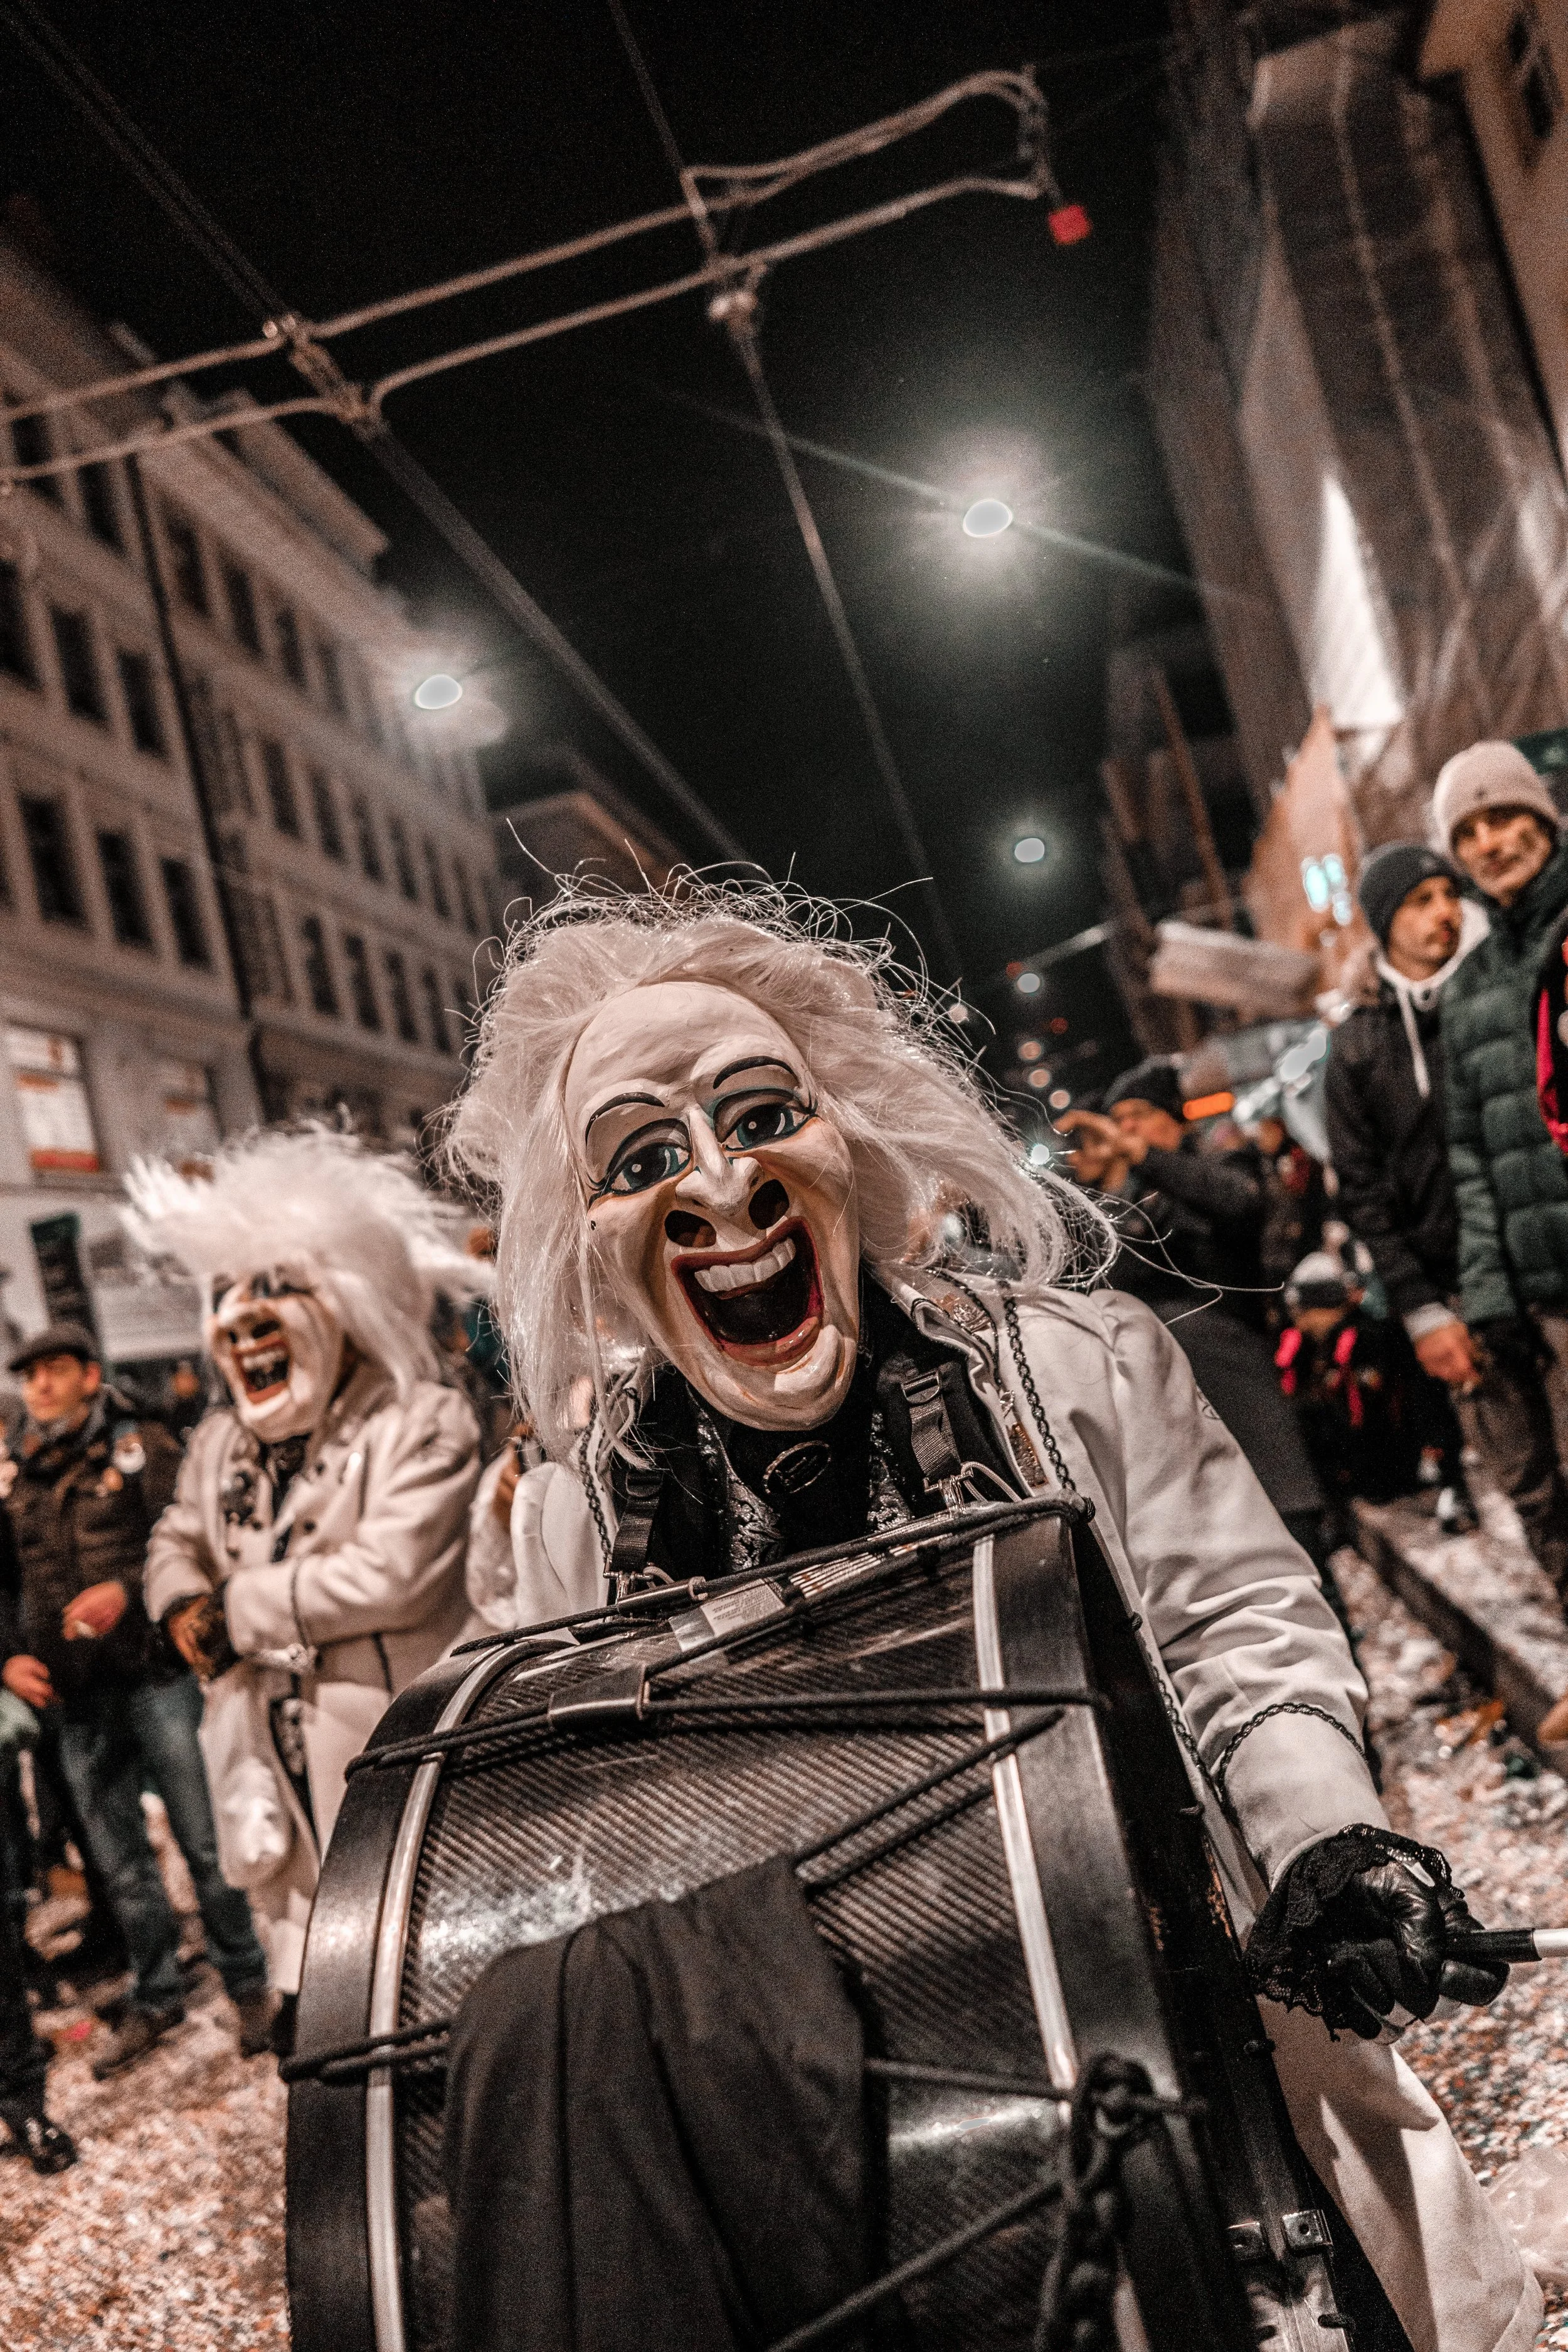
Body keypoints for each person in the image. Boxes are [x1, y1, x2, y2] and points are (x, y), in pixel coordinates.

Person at [445, 881, 1537, 2352]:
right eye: (643, 1154)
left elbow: (1240, 1626)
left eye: (763, 1114)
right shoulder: (580, 1516)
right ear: (587, 1236)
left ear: (853, 1139)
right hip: (845, 2164)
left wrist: (1322, 1832)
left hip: (1184, 2073)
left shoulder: (1082, 1366)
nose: (718, 1186)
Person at [134, 1129, 487, 2048]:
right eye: (228, 1308)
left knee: (426, 2008)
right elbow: (174, 1533)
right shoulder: (218, 1442)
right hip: (271, 1781)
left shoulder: (421, 1416)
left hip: (390, 1767)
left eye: (273, 1300)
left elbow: (394, 1574)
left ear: (344, 1304)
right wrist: (178, 1600)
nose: (244, 1328)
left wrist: (235, 1611)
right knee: (320, 2023)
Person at [0, 1324, 271, 2078]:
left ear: (90, 1376)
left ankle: (248, 1981)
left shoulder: (143, 1444)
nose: (40, 1387)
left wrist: (129, 1591)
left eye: (55, 1372)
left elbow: (182, 1539)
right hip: (75, 1698)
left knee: (203, 1840)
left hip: (154, 1676)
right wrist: (12, 1657)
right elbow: (11, 1586)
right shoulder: (23, 1472)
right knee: (119, 1865)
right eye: (30, 1377)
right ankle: (157, 1994)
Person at [1322, 842, 1565, 1559]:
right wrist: (1421, 1310)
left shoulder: (1509, 987)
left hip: (1539, 1261)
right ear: (1383, 921)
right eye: (1419, 902)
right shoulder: (1358, 1046)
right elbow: (1362, 1195)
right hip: (1454, 1291)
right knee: (1527, 1481)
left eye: (1447, 898)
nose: (1442, 916)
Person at [1056, 1062, 1335, 1589]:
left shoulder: (1219, 1161)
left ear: (1172, 1119)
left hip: (1238, 1382)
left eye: (1136, 1117)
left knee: (1295, 1537)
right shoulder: (1138, 1193)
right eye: (1118, 1121)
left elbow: (1237, 1202)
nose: (1125, 1130)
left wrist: (1140, 1157)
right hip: (1173, 1405)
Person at [1436, 747, 1568, 1687]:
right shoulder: (1470, 984)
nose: (1490, 841)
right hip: (1546, 1282)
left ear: (1544, 817)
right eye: (1468, 831)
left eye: (1502, 816)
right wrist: (1488, 1291)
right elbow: (1472, 1157)